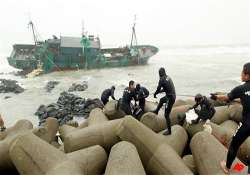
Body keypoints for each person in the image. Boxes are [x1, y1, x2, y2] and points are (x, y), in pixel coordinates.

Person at [210, 63, 250, 174]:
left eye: (243, 72)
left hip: (246, 124)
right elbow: (246, 99)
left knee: (234, 145)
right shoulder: (242, 91)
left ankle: (227, 167)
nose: (241, 73)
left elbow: (226, 97)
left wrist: (215, 96)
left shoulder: (240, 88)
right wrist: (238, 100)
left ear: (247, 76)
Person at [152, 67, 176, 135]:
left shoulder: (161, 79)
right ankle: (156, 111)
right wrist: (159, 92)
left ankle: (169, 131)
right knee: (162, 100)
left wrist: (155, 93)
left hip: (170, 98)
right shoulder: (168, 77)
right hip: (172, 95)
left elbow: (158, 89)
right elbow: (166, 88)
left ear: (160, 73)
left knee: (166, 115)